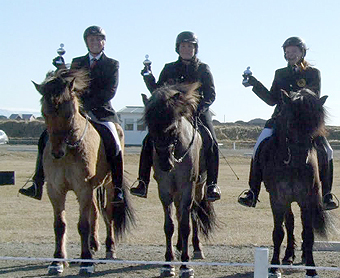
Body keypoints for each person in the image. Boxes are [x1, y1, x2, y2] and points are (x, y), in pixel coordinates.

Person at [19, 25, 125, 204]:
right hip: (76, 111)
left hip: (102, 111)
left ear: (103, 42)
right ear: (86, 43)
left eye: (98, 39)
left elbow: (110, 91)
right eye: (91, 39)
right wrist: (60, 69)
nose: (95, 42)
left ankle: (118, 187)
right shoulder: (77, 62)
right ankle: (37, 182)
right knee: (45, 137)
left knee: (113, 140)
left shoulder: (112, 64)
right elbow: (65, 85)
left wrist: (87, 105)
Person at [237, 36, 338, 210]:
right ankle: (252, 192)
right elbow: (271, 99)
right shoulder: (280, 73)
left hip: (306, 122)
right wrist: (254, 83)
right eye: (287, 51)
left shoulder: (313, 73)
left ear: (302, 52)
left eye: (294, 51)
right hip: (281, 119)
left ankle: (327, 194)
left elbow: (312, 97)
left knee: (327, 150)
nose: (290, 54)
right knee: (259, 146)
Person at [129, 31, 221, 201]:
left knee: (211, 141)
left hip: (197, 113)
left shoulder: (203, 69)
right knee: (149, 140)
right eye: (183, 46)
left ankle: (212, 184)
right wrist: (148, 78)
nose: (187, 49)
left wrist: (198, 109)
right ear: (178, 48)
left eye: (190, 46)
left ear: (195, 49)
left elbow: (211, 94)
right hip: (172, 115)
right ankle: (143, 181)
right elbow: (158, 91)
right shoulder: (169, 68)